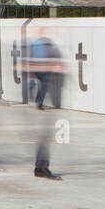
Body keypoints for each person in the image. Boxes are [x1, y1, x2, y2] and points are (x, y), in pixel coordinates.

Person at [27, 28, 64, 180]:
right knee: (44, 133)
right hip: (43, 71)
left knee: (44, 134)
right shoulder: (45, 44)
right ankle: (41, 167)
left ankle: (41, 167)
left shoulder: (36, 44)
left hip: (39, 71)